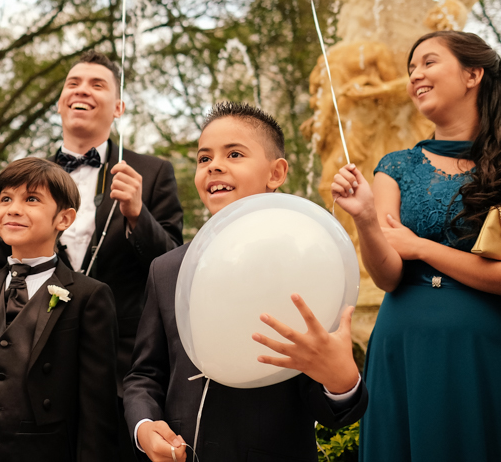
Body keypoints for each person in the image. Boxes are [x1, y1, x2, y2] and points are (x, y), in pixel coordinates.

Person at [125, 102, 367, 462]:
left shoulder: (308, 263)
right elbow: (144, 374)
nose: (214, 166)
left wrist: (342, 381)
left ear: (276, 172)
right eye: (203, 158)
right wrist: (144, 425)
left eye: (234, 153)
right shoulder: (168, 269)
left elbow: (335, 413)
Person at [0, 50, 183, 454]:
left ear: (119, 107)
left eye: (97, 84)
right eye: (73, 83)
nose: (82, 91)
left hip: (115, 369)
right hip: (29, 366)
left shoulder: (154, 171)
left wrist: (136, 215)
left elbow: (172, 266)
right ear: (60, 102)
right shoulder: (25, 174)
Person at [332, 30, 501, 461]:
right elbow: (388, 274)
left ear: (473, 74)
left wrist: (421, 248)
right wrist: (366, 218)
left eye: (428, 62)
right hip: (402, 347)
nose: (415, 76)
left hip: (482, 350)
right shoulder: (395, 167)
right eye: (410, 70)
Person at [0, 157, 119, 462]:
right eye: (5, 199)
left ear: (64, 219)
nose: (13, 209)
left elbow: (98, 408)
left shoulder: (89, 296)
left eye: (31, 199)